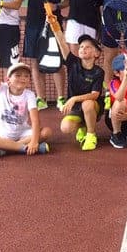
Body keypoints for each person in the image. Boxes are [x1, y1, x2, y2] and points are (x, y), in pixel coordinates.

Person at [19, 0, 69, 111]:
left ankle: (61, 97)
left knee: (57, 61)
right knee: (34, 62)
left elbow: (69, 0)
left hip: (54, 23)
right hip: (33, 24)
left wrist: (58, 6)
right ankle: (41, 99)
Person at [47, 13, 104, 151]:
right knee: (65, 127)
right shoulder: (73, 63)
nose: (83, 48)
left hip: (93, 106)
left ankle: (91, 135)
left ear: (96, 54)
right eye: (81, 47)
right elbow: (61, 41)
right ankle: (83, 126)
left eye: (88, 47)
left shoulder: (98, 72)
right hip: (76, 107)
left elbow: (94, 95)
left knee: (88, 104)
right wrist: (54, 25)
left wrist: (73, 98)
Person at [0, 51, 51, 158]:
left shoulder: (30, 94)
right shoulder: (1, 90)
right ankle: (23, 149)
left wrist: (34, 141)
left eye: (26, 76)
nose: (22, 78)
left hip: (22, 133)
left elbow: (35, 120)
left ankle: (7, 149)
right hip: (1, 135)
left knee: (47, 132)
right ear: (8, 80)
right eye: (17, 75)